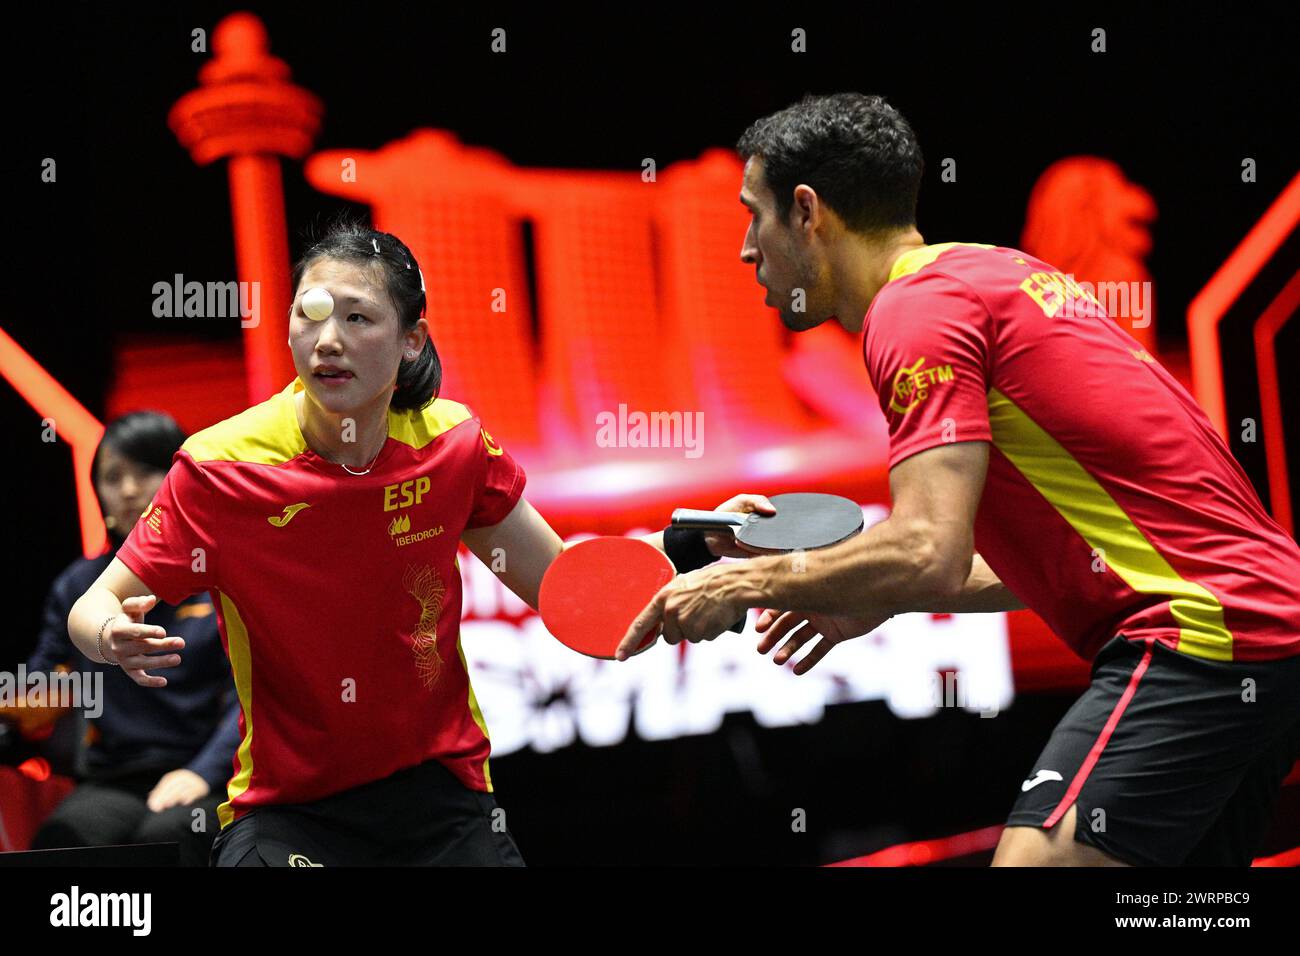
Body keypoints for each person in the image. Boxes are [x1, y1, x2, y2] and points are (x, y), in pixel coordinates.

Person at [615, 93, 1300, 867]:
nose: (747, 249)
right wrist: (862, 589)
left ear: (807, 211)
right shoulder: (992, 274)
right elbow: (1056, 555)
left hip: (1199, 636)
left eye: (754, 215)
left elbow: (928, 549)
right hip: (1268, 630)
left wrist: (742, 585)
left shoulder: (914, 315)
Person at [67, 221, 762, 866]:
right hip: (290, 809)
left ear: (412, 340)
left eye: (357, 317)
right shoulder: (222, 467)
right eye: (309, 315)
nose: (327, 339)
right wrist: (110, 635)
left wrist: (693, 549)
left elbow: (569, 593)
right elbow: (92, 607)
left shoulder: (451, 448)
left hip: (441, 794)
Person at [27, 412, 238, 866]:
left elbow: (251, 695)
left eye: (145, 471)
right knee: (64, 836)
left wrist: (203, 773)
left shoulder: (222, 573)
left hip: (209, 771)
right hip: (115, 777)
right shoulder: (77, 585)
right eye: (111, 477)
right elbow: (42, 681)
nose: (127, 490)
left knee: (172, 833)